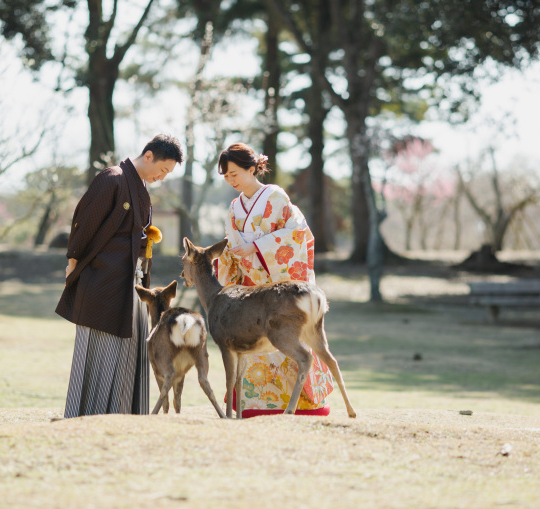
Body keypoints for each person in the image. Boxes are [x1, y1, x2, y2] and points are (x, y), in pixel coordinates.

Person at [56, 134, 184, 418]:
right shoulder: (112, 178)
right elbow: (84, 222)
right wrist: (73, 259)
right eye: (162, 170)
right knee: (100, 347)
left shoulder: (141, 189)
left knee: (129, 347)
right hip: (103, 280)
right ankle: (89, 413)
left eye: (167, 174)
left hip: (132, 282)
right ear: (148, 155)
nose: (161, 177)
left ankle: (123, 412)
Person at [214, 142, 335, 418]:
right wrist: (228, 259)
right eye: (226, 176)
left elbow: (296, 234)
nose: (231, 180)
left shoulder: (275, 196)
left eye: (235, 173)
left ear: (252, 168)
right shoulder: (234, 208)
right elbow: (231, 245)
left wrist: (257, 247)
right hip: (251, 290)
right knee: (255, 344)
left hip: (280, 287)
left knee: (286, 341)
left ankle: (301, 406)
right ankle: (254, 405)